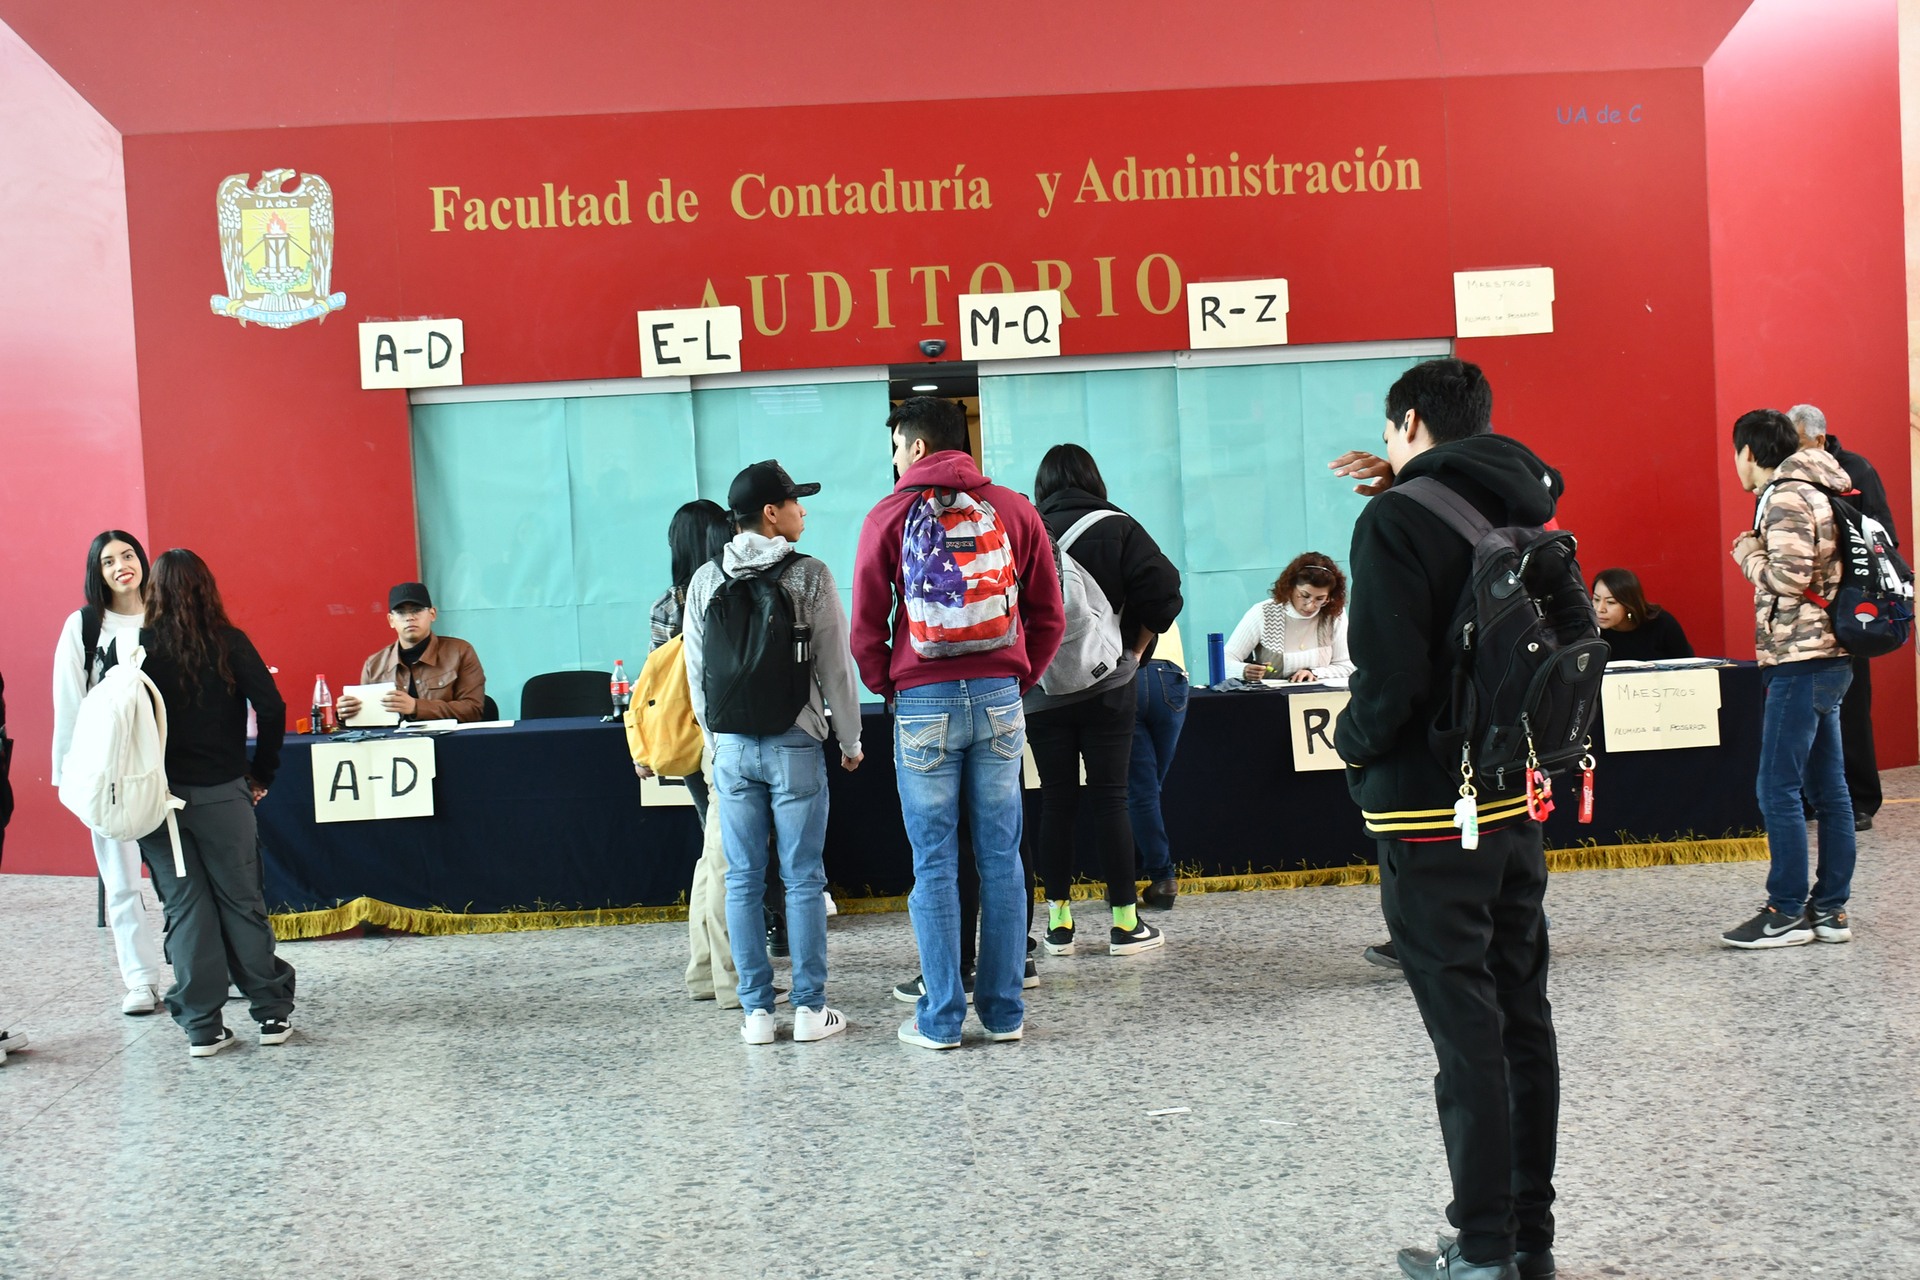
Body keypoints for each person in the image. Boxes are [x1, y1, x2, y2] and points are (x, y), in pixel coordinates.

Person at [1332, 357, 1561, 1280]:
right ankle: (1529, 1240)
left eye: (1389, 431)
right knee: (1522, 1017)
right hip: (1512, 795)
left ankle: (1483, 1246)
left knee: (1464, 1033)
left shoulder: (1394, 520)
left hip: (1428, 809)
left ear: (1410, 423)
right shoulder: (1524, 504)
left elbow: (1390, 682)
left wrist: (1351, 743)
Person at [851, 396, 1064, 1050]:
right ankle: (1004, 1014)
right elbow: (1048, 614)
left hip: (923, 702)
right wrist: (1016, 676)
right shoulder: (1014, 509)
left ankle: (941, 1018)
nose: (895, 461)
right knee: (1002, 858)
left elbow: (866, 627)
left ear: (916, 447)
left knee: (935, 862)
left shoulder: (888, 515)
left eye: (896, 448)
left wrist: (893, 685)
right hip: (1000, 698)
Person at [683, 460, 864, 1044]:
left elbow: (696, 676)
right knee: (803, 878)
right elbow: (836, 668)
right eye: (794, 502)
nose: (802, 511)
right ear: (770, 513)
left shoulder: (705, 580)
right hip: (795, 743)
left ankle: (756, 1014)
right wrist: (850, 739)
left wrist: (717, 743)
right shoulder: (809, 575)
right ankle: (810, 1010)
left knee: (741, 879)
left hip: (732, 748)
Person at [134, 549, 295, 1058]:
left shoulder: (136, 648)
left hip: (158, 803)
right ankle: (270, 1014)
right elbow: (271, 707)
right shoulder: (229, 642)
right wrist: (261, 772)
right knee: (241, 901)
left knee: (185, 909)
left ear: (153, 591)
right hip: (223, 793)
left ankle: (202, 1028)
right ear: (208, 588)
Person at [1025, 444, 1184, 957]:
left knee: (1056, 802)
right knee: (1111, 798)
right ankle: (1124, 924)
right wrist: (1134, 651)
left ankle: (1059, 926)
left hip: (1042, 690)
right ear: (1094, 479)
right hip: (1110, 686)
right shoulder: (1119, 526)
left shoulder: (1024, 527)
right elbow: (1164, 594)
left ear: (1042, 486)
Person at [1723, 408, 1857, 949]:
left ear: (1748, 452)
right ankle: (1830, 910)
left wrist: (1748, 556)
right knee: (1829, 790)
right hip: (1829, 656)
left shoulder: (1784, 495)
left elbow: (1790, 577)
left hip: (1801, 659)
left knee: (1777, 787)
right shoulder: (1821, 486)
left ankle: (1784, 910)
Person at [50, 531, 169, 1015]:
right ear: (96, 573)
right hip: (109, 773)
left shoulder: (167, 617)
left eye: (128, 555)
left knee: (182, 878)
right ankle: (140, 980)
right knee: (121, 882)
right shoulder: (83, 626)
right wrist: (70, 775)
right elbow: (69, 702)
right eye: (108, 561)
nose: (122, 566)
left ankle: (201, 968)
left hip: (167, 765)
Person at [639, 499, 746, 1004]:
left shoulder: (667, 604)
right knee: (729, 859)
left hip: (685, 735)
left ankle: (704, 971)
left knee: (712, 853)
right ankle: (732, 981)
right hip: (723, 734)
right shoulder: (726, 589)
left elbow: (658, 683)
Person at [1788, 404, 1890, 831]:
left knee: (1851, 705)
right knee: (1801, 705)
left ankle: (1861, 799)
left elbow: (1883, 537)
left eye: (1796, 441)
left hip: (1848, 608)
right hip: (1800, 611)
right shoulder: (1785, 478)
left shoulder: (1856, 471)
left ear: (1818, 439)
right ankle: (1811, 797)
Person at [335, 583, 486, 724]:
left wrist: (416, 707)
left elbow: (473, 710)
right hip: (394, 742)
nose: (409, 618)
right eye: (401, 612)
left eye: (416, 610)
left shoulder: (460, 652)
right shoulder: (373, 665)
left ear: (432, 614)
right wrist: (346, 715)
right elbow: (368, 725)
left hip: (447, 740)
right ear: (391, 620)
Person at [1220, 553, 1353, 684]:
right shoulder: (1263, 613)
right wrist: (1243, 670)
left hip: (1321, 696)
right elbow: (1223, 662)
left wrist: (1315, 673)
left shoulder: (1334, 614)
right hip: (1271, 696)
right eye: (1304, 595)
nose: (1310, 606)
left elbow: (1346, 667)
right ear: (1290, 587)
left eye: (1320, 599)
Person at [1130, 620, 1189, 911]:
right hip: (1172, 675)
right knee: (1148, 789)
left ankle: (1160, 876)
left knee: (1138, 791)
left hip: (1127, 669)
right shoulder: (1157, 589)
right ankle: (1142, 878)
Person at [1590, 568, 1693, 661]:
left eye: (1611, 602)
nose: (1600, 609)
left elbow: (1687, 667)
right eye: (1596, 599)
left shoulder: (1662, 624)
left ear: (1628, 604)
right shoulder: (1589, 628)